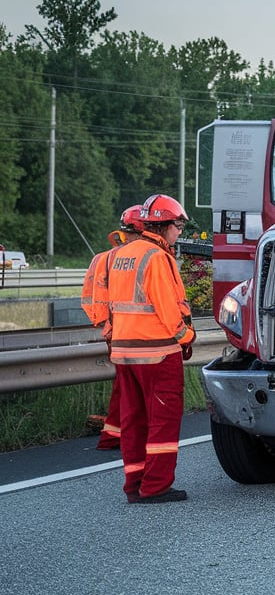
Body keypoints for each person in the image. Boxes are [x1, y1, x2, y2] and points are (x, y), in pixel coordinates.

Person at [105, 194, 195, 504]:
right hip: (157, 352)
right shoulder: (157, 257)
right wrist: (185, 337)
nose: (179, 233)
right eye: (178, 227)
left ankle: (135, 483)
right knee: (163, 420)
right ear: (165, 226)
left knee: (134, 420)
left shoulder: (120, 254)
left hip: (123, 351)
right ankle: (156, 486)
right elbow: (167, 308)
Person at [80, 205, 143, 450]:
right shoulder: (135, 257)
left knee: (124, 387)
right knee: (131, 388)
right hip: (131, 330)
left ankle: (113, 435)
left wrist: (105, 324)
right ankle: (120, 436)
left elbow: (91, 298)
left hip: (114, 329)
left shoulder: (106, 257)